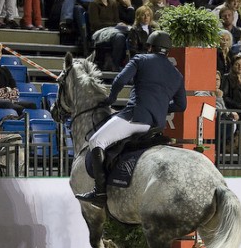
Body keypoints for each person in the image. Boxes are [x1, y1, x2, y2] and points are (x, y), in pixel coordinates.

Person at [75, 31, 186, 206]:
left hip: (134, 118)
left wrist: (111, 99)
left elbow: (119, 80)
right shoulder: (177, 75)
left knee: (96, 141)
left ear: (149, 46)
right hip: (155, 125)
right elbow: (181, 106)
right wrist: (162, 108)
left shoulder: (141, 59)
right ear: (168, 51)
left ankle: (100, 192)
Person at [89, 0, 126, 72]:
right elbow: (95, 24)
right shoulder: (93, 4)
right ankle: (115, 65)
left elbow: (116, 20)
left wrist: (119, 25)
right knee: (120, 37)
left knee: (130, 33)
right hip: (100, 31)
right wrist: (115, 25)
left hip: (113, 30)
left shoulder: (113, 3)